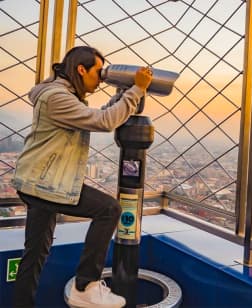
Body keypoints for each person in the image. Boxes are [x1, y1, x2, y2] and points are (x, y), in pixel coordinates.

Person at [12, 46, 153, 308]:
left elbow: (100, 115)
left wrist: (123, 95)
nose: (101, 78)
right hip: (46, 184)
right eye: (98, 72)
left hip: (38, 182)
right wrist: (136, 90)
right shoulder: (57, 97)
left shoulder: (60, 93)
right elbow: (104, 122)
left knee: (35, 256)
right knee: (109, 209)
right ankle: (85, 286)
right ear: (80, 69)